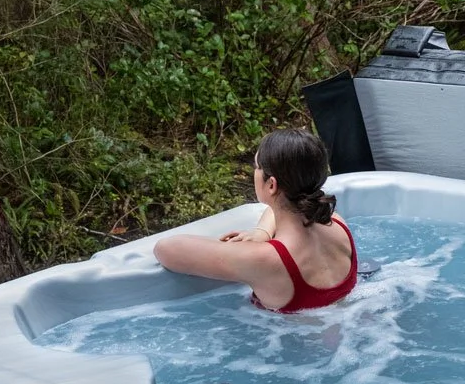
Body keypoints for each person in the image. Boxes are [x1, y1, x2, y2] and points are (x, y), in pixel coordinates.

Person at [153, 128, 358, 313]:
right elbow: (284, 208)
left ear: (271, 185)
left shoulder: (265, 259)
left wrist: (247, 247)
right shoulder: (337, 223)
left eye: (257, 166)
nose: (254, 171)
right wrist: (262, 233)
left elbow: (165, 249)